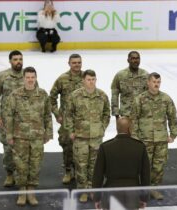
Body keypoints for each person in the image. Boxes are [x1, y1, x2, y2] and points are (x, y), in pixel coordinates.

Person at [5, 67, 53, 206]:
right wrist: (9, 134)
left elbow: (47, 115)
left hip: (37, 136)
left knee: (35, 164)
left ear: (36, 78)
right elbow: (9, 116)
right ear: (23, 78)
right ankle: (22, 191)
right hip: (20, 136)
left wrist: (48, 132)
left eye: (33, 77)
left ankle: (31, 191)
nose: (30, 80)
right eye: (28, 77)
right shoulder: (15, 95)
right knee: (20, 165)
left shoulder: (43, 94)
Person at [130, 72, 177, 200]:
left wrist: (173, 134)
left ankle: (154, 188)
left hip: (161, 139)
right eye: (154, 82)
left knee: (159, 166)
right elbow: (133, 119)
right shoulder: (140, 99)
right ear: (148, 82)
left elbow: (172, 117)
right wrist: (135, 137)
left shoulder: (166, 99)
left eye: (158, 82)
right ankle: (142, 189)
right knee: (144, 166)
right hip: (144, 139)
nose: (156, 84)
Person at [65, 69, 110, 203]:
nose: (91, 82)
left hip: (96, 137)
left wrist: (102, 127)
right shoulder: (75, 96)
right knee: (81, 165)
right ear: (83, 81)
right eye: (88, 79)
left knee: (95, 165)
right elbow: (68, 114)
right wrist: (71, 131)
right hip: (80, 137)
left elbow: (107, 112)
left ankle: (92, 188)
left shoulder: (102, 95)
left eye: (93, 79)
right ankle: (82, 190)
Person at [92, 117, 150, 210]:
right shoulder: (139, 147)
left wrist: (97, 198)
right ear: (129, 128)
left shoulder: (105, 147)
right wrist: (144, 198)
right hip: (133, 193)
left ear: (117, 128)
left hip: (110, 192)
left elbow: (98, 175)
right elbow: (145, 175)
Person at [0, 50, 24, 187]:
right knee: (8, 148)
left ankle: (21, 174)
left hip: (24, 120)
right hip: (7, 120)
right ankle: (10, 174)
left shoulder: (28, 75)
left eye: (20, 59)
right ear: (10, 61)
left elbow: (37, 97)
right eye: (15, 59)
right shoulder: (3, 76)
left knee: (23, 148)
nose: (18, 62)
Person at [49, 54, 83, 184]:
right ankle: (68, 171)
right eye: (74, 62)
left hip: (82, 120)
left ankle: (80, 172)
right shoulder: (62, 79)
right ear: (69, 63)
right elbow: (51, 98)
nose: (77, 65)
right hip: (67, 121)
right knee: (67, 145)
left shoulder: (86, 78)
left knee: (82, 147)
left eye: (79, 62)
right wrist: (57, 114)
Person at [111, 51, 149, 119]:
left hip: (142, 116)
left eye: (137, 58)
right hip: (126, 114)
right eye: (133, 58)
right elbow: (114, 95)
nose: (135, 60)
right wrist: (116, 114)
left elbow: (150, 95)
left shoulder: (145, 75)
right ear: (128, 60)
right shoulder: (120, 75)